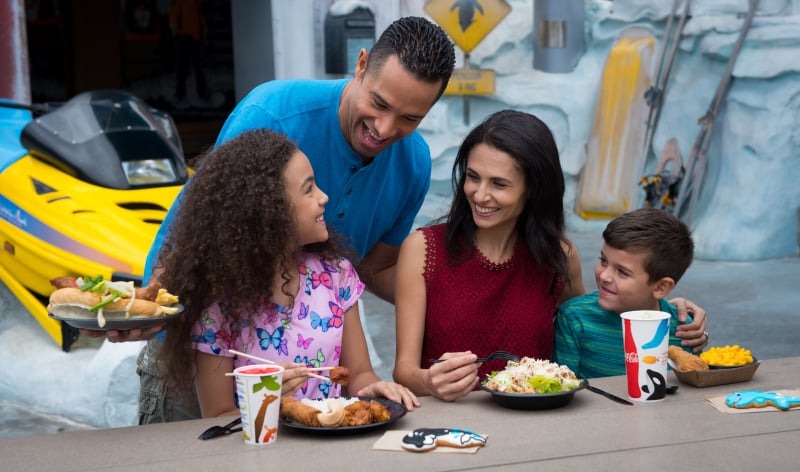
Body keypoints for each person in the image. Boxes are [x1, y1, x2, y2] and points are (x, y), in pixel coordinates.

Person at [78, 16, 455, 423]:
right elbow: (200, 229)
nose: (384, 128)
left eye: (409, 118)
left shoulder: (413, 164)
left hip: (310, 384)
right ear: (361, 64)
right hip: (199, 356)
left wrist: (461, 296)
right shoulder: (272, 114)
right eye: (379, 104)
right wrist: (148, 308)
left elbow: (376, 268)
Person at [392, 110, 708, 402]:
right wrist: (429, 381)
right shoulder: (422, 250)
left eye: (499, 183)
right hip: (452, 428)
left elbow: (595, 316)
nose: (479, 193)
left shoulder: (558, 255)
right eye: (473, 176)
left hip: (539, 427)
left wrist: (667, 308)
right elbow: (404, 371)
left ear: (533, 189)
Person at [157, 128, 418, 418]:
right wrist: (265, 398)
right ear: (268, 212)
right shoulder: (218, 305)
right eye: (309, 189)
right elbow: (217, 414)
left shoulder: (337, 275)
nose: (324, 197)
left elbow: (358, 375)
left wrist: (373, 388)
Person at [552, 207, 696, 379]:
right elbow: (562, 386)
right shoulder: (574, 318)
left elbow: (691, 388)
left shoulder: (685, 331)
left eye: (622, 272)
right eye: (603, 261)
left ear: (661, 287)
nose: (604, 276)